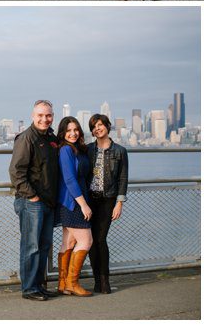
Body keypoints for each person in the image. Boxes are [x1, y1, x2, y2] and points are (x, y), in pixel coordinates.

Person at [8, 99, 61, 301]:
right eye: (40, 115)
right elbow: (16, 172)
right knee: (31, 247)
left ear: (52, 117)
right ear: (33, 116)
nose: (44, 119)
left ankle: (39, 285)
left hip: (48, 202)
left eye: (48, 115)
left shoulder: (52, 138)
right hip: (31, 202)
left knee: (44, 246)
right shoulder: (26, 138)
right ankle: (29, 289)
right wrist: (32, 196)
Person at [87, 113, 129, 293]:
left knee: (100, 239)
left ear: (107, 126)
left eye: (100, 125)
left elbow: (123, 178)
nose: (97, 128)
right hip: (89, 199)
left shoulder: (120, 151)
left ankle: (104, 281)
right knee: (90, 240)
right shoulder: (88, 149)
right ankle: (96, 280)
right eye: (94, 127)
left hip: (108, 200)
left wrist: (119, 203)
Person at [56, 116, 94, 297]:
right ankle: (72, 283)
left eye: (75, 129)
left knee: (69, 242)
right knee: (86, 241)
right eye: (68, 130)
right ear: (62, 133)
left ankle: (63, 284)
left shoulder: (78, 149)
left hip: (74, 200)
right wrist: (84, 205)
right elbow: (69, 179)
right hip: (73, 202)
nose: (73, 133)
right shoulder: (65, 150)